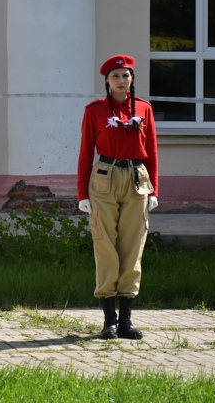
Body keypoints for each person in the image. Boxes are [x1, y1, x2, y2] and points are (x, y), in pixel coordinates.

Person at [77, 54, 159, 340]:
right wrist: (81, 193)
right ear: (107, 81)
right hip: (104, 178)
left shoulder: (144, 109)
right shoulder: (95, 110)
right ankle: (108, 320)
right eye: (116, 76)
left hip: (136, 178)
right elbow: (86, 152)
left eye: (126, 76)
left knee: (132, 246)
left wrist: (154, 190)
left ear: (132, 79)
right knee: (105, 245)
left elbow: (152, 151)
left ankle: (126, 320)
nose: (121, 81)